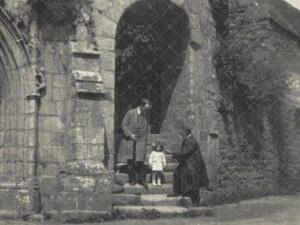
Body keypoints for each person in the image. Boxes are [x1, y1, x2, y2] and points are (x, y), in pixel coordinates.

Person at [167, 119, 209, 207]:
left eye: (181, 132)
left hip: (194, 164)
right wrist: (176, 157)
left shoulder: (192, 140)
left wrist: (173, 153)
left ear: (185, 132)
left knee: (192, 178)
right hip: (187, 162)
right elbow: (183, 153)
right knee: (176, 172)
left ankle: (195, 200)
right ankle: (176, 192)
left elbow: (186, 152)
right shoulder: (186, 139)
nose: (180, 134)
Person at [117, 99, 151, 189]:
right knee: (130, 161)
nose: (147, 110)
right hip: (130, 141)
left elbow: (145, 130)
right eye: (146, 108)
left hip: (140, 141)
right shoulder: (130, 113)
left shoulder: (145, 116)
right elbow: (123, 125)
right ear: (141, 106)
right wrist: (129, 134)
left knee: (140, 162)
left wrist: (142, 141)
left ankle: (141, 180)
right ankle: (132, 179)